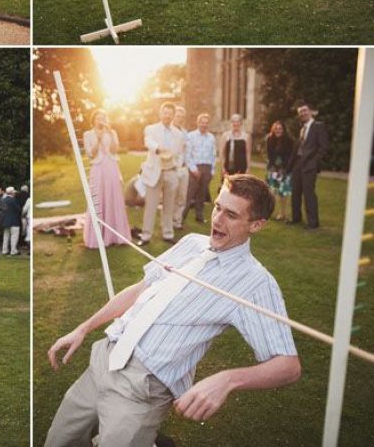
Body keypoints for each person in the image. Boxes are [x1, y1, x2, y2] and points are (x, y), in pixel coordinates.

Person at [44, 175, 301, 447]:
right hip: (103, 361)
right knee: (58, 441)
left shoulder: (255, 282)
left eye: (231, 214)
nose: (217, 220)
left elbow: (289, 366)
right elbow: (140, 289)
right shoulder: (192, 243)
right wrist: (82, 328)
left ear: (257, 225)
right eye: (217, 207)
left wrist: (228, 380)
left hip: (141, 388)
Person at [139, 103, 187, 245]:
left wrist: (176, 167)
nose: (167, 116)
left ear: (173, 115)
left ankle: (168, 233)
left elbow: (179, 154)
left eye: (170, 113)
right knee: (151, 205)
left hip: (171, 173)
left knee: (169, 205)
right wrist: (158, 149)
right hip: (154, 172)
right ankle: (146, 236)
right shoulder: (151, 129)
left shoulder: (178, 134)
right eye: (165, 113)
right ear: (160, 113)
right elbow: (148, 141)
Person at [83, 110, 131, 248]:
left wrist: (109, 133)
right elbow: (91, 154)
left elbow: (115, 150)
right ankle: (97, 237)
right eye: (98, 118)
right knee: (98, 199)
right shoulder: (88, 134)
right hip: (98, 169)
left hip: (111, 167)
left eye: (103, 118)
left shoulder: (112, 132)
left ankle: (116, 236)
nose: (101, 120)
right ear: (93, 120)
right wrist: (98, 139)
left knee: (113, 199)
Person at [287, 103, 329, 229]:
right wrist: (289, 167)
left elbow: (324, 146)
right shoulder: (302, 128)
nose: (302, 113)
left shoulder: (318, 126)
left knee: (308, 193)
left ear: (311, 111)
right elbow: (297, 150)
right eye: (300, 112)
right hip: (298, 165)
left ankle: (313, 223)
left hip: (309, 165)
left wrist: (314, 162)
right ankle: (296, 218)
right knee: (295, 193)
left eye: (304, 110)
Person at [185, 113, 217, 224]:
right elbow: (187, 154)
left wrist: (212, 170)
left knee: (202, 194)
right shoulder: (191, 136)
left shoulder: (211, 137)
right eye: (202, 122)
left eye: (206, 123)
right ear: (198, 123)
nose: (204, 125)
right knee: (189, 193)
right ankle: (181, 217)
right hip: (195, 167)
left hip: (207, 167)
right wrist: (193, 169)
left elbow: (213, 155)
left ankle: (199, 216)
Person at [266, 121, 294, 221]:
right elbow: (269, 154)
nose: (278, 130)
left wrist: (285, 168)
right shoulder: (270, 139)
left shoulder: (289, 140)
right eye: (276, 128)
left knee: (283, 192)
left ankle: (282, 213)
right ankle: (270, 211)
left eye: (280, 128)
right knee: (272, 191)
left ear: (283, 130)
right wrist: (272, 166)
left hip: (284, 170)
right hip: (273, 169)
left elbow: (291, 156)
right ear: (273, 129)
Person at [221, 114, 252, 184]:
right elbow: (222, 153)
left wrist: (248, 168)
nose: (235, 123)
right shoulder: (225, 135)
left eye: (238, 121)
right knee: (228, 187)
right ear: (231, 123)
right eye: (233, 121)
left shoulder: (246, 136)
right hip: (229, 166)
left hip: (242, 166)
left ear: (241, 123)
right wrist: (223, 167)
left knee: (241, 188)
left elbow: (248, 153)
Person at [172, 106, 189, 231]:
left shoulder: (185, 132)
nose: (180, 119)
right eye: (178, 116)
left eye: (182, 117)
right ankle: (168, 222)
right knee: (170, 197)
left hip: (183, 168)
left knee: (182, 197)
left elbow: (186, 150)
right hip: (172, 168)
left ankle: (177, 221)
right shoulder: (169, 130)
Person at [1, 187, 22, 255]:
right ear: (12, 193)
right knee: (14, 236)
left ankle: (4, 250)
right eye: (14, 192)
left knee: (6, 236)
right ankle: (13, 250)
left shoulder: (3, 200)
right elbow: (19, 210)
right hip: (14, 220)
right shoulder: (14, 200)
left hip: (5, 221)